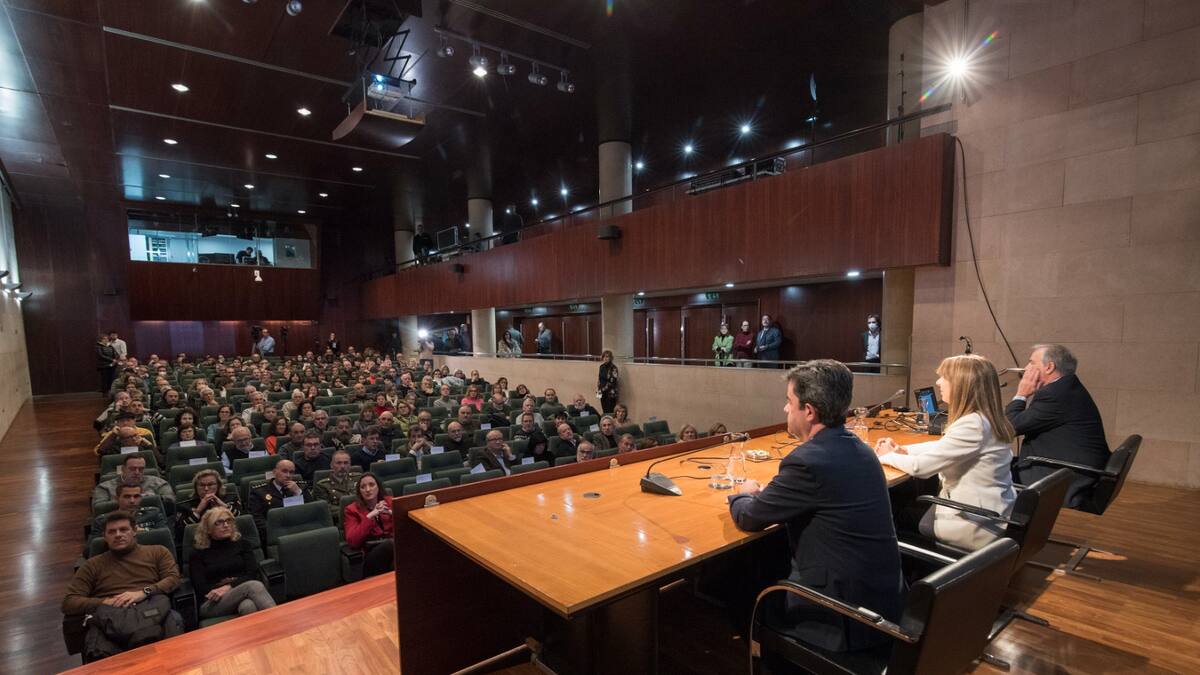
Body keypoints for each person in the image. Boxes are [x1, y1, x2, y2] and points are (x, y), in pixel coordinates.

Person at [727, 359, 904, 653]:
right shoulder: (862, 450)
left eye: (789, 401)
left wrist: (742, 492)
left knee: (734, 582)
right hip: (884, 602)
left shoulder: (807, 461)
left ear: (808, 411)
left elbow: (749, 517)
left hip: (841, 618)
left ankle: (771, 659)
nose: (785, 408)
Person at [876, 354, 1017, 550]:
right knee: (905, 499)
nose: (938, 382)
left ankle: (910, 575)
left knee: (887, 512)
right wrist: (904, 450)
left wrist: (885, 456)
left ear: (962, 385)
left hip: (973, 521)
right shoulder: (984, 419)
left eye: (944, 377)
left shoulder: (972, 425)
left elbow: (921, 469)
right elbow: (943, 446)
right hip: (991, 511)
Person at [62, 511, 183, 652]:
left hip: (151, 608)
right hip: (113, 616)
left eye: (124, 529)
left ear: (134, 531)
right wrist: (105, 601)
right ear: (104, 537)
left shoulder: (158, 552)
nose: (118, 534)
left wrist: (144, 592)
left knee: (174, 621)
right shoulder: (92, 565)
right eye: (112, 532)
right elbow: (69, 602)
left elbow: (173, 578)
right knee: (96, 643)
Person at [1009, 344, 1110, 508]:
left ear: (1049, 367)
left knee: (987, 470)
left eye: (1031, 362)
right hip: (1072, 470)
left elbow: (1009, 428)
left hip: (1063, 478)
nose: (1026, 368)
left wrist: (1021, 395)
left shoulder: (1054, 395)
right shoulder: (1066, 388)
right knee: (999, 462)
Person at [190, 507, 276, 618]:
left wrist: (229, 586)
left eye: (228, 521)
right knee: (253, 586)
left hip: (242, 595)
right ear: (208, 529)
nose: (225, 525)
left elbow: (252, 573)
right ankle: (282, 624)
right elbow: (200, 587)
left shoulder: (243, 544)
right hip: (212, 603)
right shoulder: (197, 553)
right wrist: (228, 587)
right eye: (219, 522)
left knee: (248, 606)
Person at [247, 459, 312, 543]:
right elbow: (257, 519)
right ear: (274, 472)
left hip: (301, 531)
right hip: (276, 535)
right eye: (284, 471)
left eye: (291, 472)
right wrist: (276, 533)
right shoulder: (259, 492)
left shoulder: (300, 487)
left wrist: (298, 492)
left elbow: (311, 510)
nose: (288, 475)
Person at [343, 473, 395, 576]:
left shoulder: (389, 501)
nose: (367, 489)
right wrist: (371, 515)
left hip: (395, 549)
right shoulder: (351, 510)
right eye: (363, 487)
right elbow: (353, 541)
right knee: (391, 544)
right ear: (359, 492)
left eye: (371, 485)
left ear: (378, 487)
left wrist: (390, 513)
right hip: (371, 553)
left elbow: (406, 524)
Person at [175, 469, 241, 540]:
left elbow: (243, 522)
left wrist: (224, 506)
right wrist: (198, 511)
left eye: (210, 484)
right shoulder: (185, 506)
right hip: (201, 542)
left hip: (231, 538)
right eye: (202, 485)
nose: (206, 488)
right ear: (196, 488)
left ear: (218, 486)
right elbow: (180, 533)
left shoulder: (231, 498)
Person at [93, 454, 174, 510]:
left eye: (141, 469)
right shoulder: (104, 487)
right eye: (132, 469)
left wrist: (154, 498)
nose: (137, 472)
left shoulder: (158, 482)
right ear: (123, 469)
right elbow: (99, 508)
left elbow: (171, 500)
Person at [92, 482, 168, 536]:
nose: (132, 501)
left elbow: (165, 537)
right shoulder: (102, 520)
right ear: (116, 499)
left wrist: (141, 531)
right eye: (127, 497)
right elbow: (90, 550)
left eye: (136, 496)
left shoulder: (153, 513)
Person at [314, 450, 362, 524]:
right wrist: (351, 511)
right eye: (339, 463)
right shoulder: (322, 485)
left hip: (363, 514)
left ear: (350, 465)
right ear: (331, 465)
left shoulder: (358, 478)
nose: (342, 466)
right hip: (341, 520)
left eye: (346, 463)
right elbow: (326, 508)